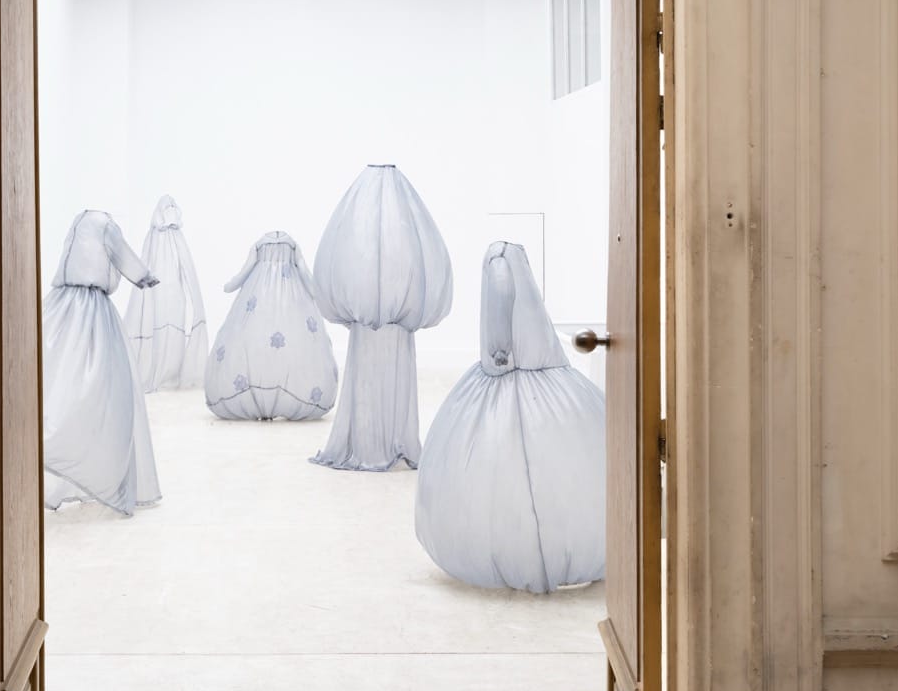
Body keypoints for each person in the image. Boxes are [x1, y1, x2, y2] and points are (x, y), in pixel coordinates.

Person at [414, 242, 606, 592]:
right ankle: (554, 546)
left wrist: (500, 352)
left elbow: (500, 313)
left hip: (511, 366)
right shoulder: (508, 260)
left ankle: (520, 547)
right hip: (532, 364)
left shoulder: (496, 262)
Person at [309, 164, 452, 470]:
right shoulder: (398, 225)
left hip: (379, 330)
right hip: (385, 332)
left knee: (371, 381)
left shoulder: (367, 225)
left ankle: (373, 443)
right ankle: (379, 441)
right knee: (381, 380)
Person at [41, 209, 162, 514]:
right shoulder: (107, 225)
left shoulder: (77, 222)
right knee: (106, 387)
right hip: (93, 308)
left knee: (58, 373)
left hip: (62, 302)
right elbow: (122, 254)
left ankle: (54, 440)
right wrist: (143, 276)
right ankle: (90, 458)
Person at [205, 232, 339, 421]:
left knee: (252, 335)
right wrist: (317, 292)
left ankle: (255, 392)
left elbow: (245, 270)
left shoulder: (261, 244)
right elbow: (303, 271)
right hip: (291, 290)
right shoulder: (291, 245)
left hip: (257, 290)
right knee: (292, 340)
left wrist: (231, 285)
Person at [124, 195, 208, 391]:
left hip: (174, 293)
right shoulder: (155, 236)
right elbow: (146, 262)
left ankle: (171, 374)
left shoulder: (174, 236)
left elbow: (187, 267)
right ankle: (161, 374)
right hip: (158, 292)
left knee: (172, 329)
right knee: (158, 328)